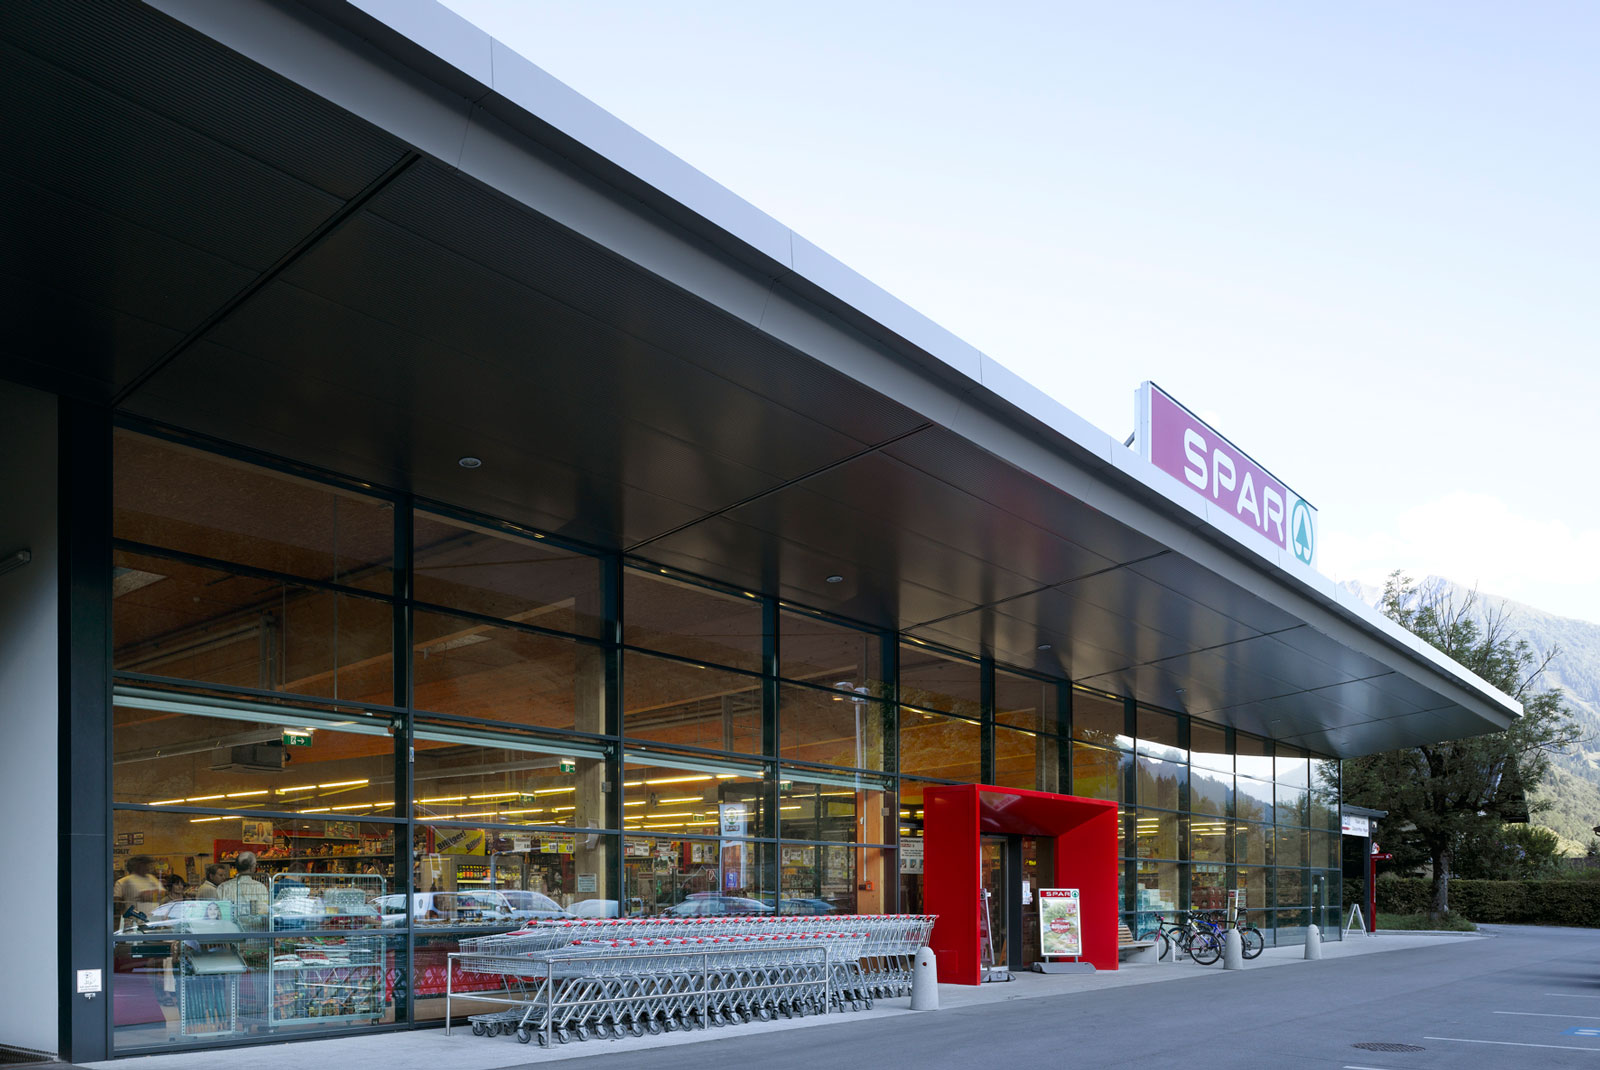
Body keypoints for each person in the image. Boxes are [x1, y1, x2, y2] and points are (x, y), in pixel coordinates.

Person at [215, 852, 269, 928]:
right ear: (253, 867)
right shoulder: (260, 887)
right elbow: (264, 913)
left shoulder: (222, 887)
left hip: (229, 930)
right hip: (254, 931)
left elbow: (217, 912)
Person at [113, 855, 161, 927]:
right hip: (134, 923)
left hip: (153, 921)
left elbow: (161, 895)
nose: (149, 868)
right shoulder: (122, 882)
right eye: (145, 865)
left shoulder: (152, 879)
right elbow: (116, 903)